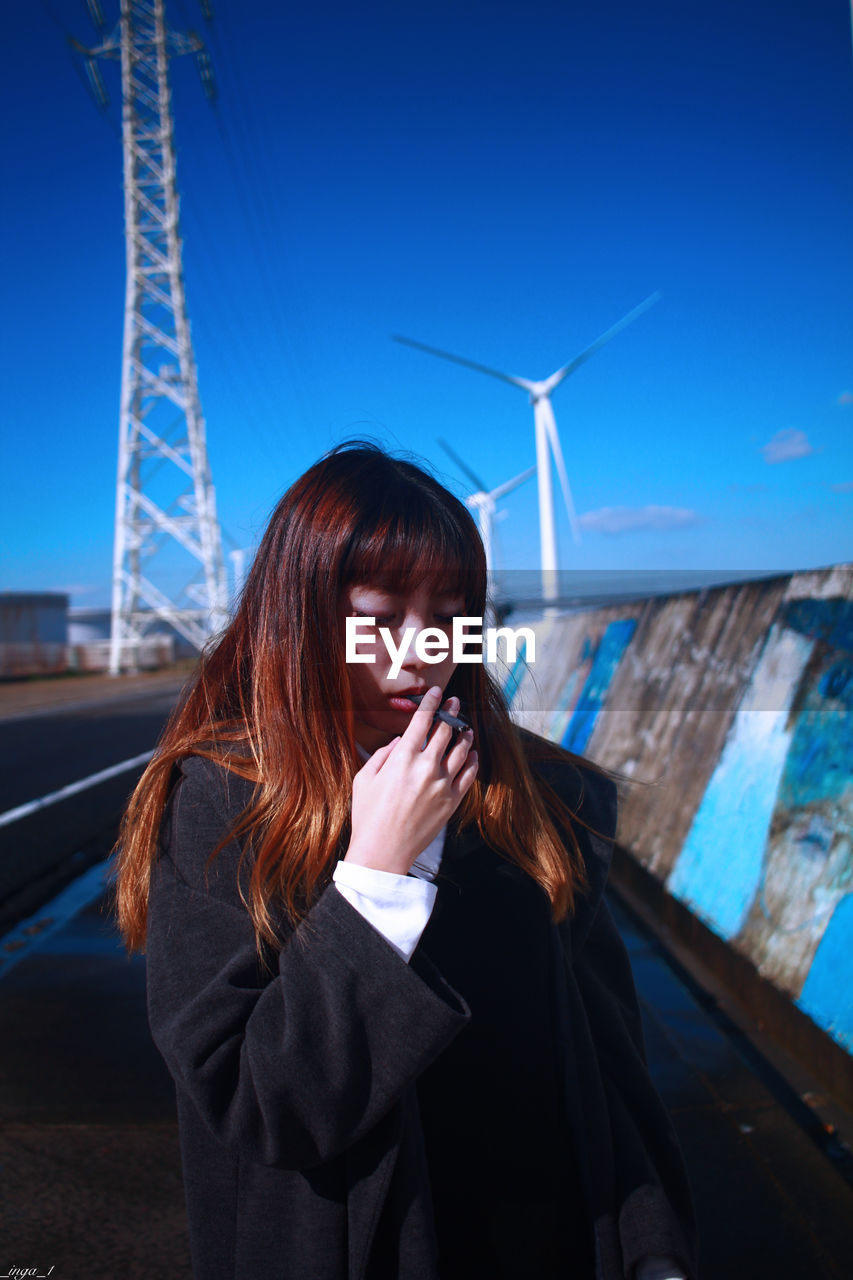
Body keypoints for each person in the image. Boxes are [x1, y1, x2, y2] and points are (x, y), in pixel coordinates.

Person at [116, 442, 697, 1280]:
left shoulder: (545, 796)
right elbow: (261, 1105)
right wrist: (378, 878)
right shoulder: (221, 803)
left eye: (450, 614)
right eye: (380, 617)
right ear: (300, 617)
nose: (421, 649)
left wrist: (652, 1247)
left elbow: (610, 1063)